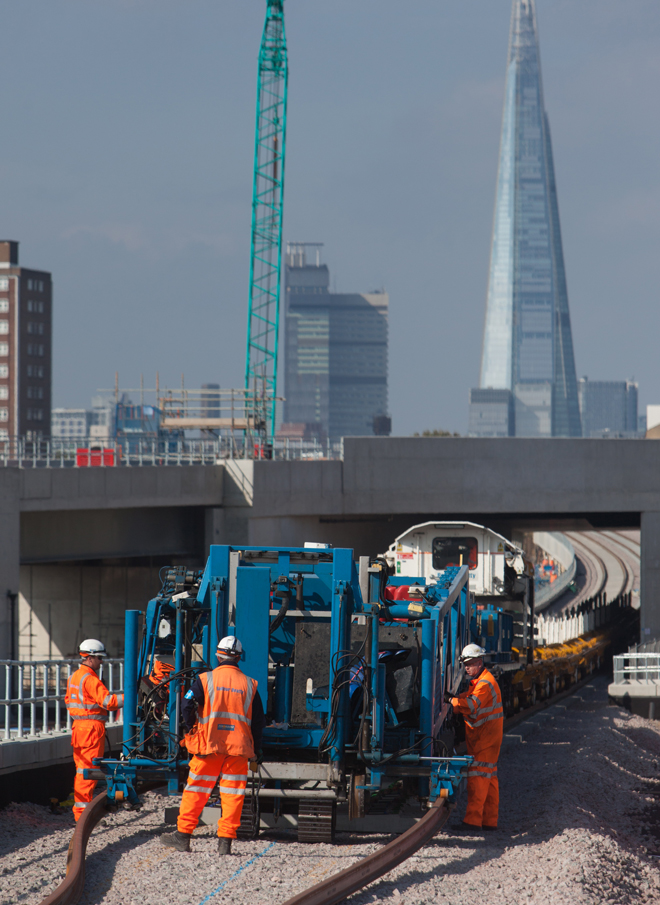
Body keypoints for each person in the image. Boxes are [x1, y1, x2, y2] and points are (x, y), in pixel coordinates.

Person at [161, 635, 266, 854]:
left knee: (196, 791)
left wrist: (192, 728)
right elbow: (258, 722)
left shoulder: (204, 679)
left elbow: (186, 705)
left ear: (218, 655)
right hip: (238, 749)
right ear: (238, 658)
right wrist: (257, 749)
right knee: (232, 795)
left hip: (209, 746)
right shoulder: (250, 684)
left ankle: (183, 837)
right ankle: (225, 843)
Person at [64, 639, 124, 821]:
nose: (101, 662)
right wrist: (130, 696)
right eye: (99, 658)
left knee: (81, 771)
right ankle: (83, 817)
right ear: (89, 658)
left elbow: (69, 701)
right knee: (88, 773)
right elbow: (109, 703)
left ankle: (80, 814)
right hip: (91, 729)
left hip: (79, 729)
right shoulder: (90, 679)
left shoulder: (74, 676)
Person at [447, 643, 503, 832]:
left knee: (478, 779)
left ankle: (472, 821)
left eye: (470, 664)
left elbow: (471, 705)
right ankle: (489, 821)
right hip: (487, 738)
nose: (467, 668)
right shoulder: (480, 682)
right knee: (489, 779)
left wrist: (452, 701)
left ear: (479, 662)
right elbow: (467, 697)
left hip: (485, 739)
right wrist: (454, 700)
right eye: (465, 664)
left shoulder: (485, 684)